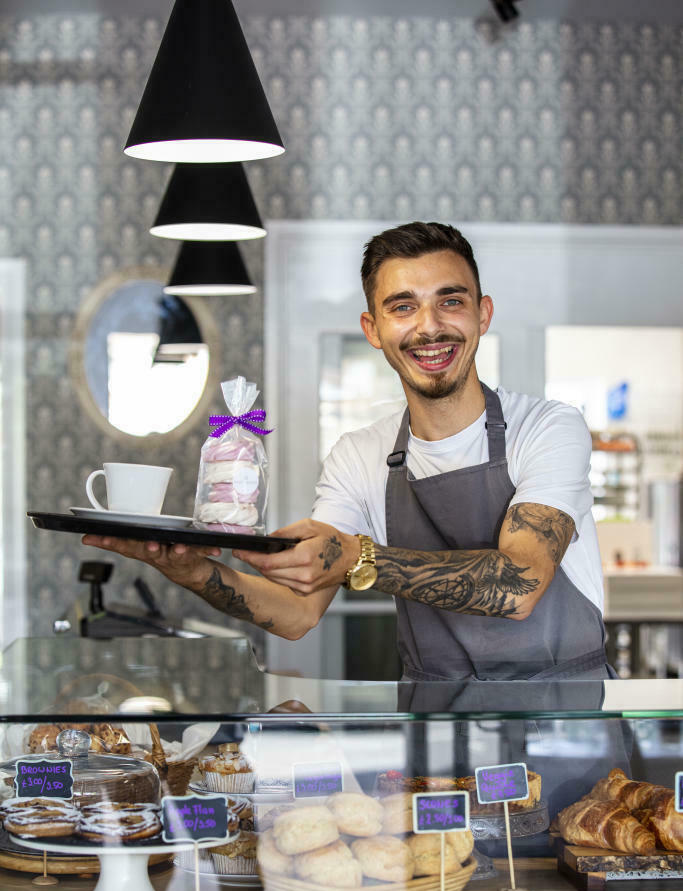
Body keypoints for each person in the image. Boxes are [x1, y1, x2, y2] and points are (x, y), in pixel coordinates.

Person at [83, 221, 614, 682]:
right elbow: (297, 613)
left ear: (483, 314)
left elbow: (520, 585)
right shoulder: (360, 456)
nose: (430, 326)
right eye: (402, 307)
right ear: (373, 330)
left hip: (566, 723)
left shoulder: (547, 427)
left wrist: (359, 558)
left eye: (451, 301)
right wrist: (193, 573)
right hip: (437, 726)